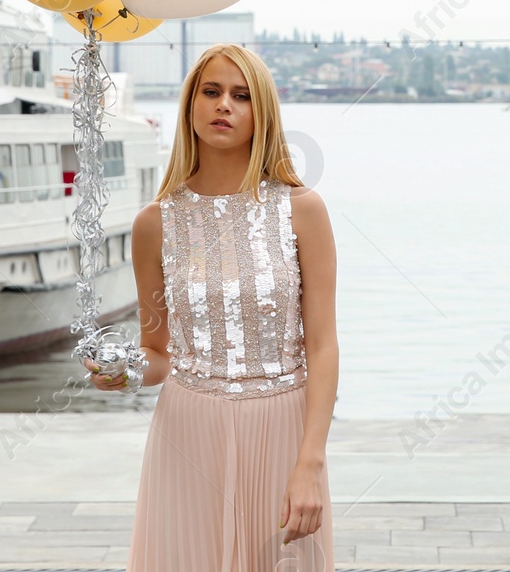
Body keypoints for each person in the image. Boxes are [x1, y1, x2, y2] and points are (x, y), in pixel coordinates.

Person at [84, 43, 337, 571]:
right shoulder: (154, 223)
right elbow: (158, 353)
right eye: (212, 91)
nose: (225, 105)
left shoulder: (301, 210)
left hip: (281, 431)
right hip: (186, 434)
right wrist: (123, 372)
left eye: (241, 96)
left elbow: (324, 345)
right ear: (190, 105)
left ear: (261, 112)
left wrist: (310, 461)